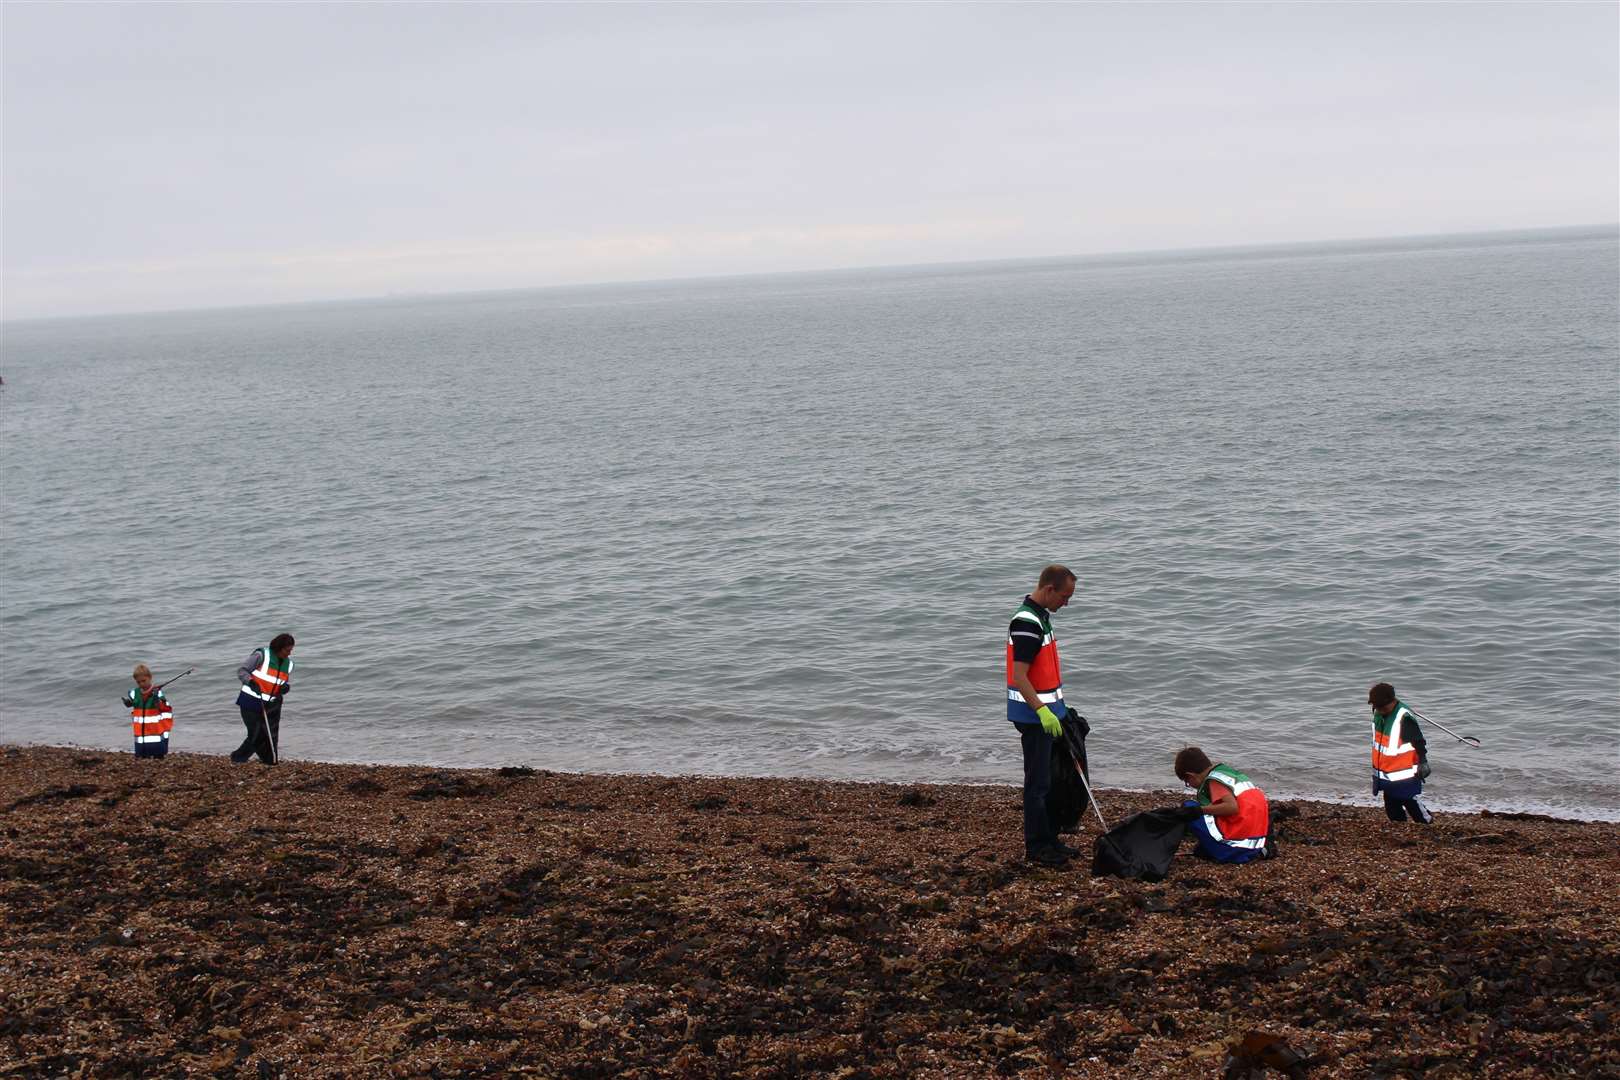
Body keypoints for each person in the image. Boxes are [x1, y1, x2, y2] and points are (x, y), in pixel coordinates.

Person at [1007, 564, 1078, 866]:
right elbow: (1020, 676)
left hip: (1049, 713)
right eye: (1064, 597)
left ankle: (1050, 838)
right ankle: (1037, 847)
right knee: (1037, 784)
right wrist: (1043, 712)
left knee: (1049, 781)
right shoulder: (1026, 622)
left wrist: (1060, 710)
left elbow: (1044, 671)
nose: (1066, 603)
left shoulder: (1042, 618)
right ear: (1049, 589)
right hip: (1034, 717)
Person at [1173, 747, 1274, 864]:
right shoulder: (1230, 775)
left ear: (1190, 775)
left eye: (1187, 782)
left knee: (1189, 807)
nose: (1189, 785)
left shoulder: (1214, 781)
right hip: (1254, 846)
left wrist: (1199, 810)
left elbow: (1231, 807)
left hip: (1232, 849)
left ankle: (1218, 848)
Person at [1368, 681, 1432, 824]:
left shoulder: (1404, 718)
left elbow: (1419, 741)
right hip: (1386, 773)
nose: (1379, 709)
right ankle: (1399, 827)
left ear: (1392, 701)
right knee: (1391, 805)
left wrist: (1423, 761)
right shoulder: (1379, 713)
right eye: (1376, 706)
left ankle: (1427, 823)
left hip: (1405, 773)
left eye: (1382, 707)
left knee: (1410, 801)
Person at [231, 633, 294, 765]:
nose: (289, 653)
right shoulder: (261, 656)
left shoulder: (289, 664)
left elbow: (283, 682)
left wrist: (285, 688)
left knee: (271, 734)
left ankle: (270, 760)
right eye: (287, 650)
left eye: (291, 650)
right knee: (256, 734)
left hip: (272, 704)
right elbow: (242, 671)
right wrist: (251, 682)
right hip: (251, 701)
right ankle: (238, 757)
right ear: (279, 647)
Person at [121, 663, 172, 758]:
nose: (141, 684)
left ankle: (159, 756)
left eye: (144, 681)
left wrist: (156, 698)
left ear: (150, 677)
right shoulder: (134, 693)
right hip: (140, 729)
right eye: (138, 682)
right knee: (141, 745)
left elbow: (163, 707)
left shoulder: (157, 692)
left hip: (154, 728)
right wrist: (129, 703)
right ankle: (142, 755)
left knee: (157, 745)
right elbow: (134, 703)